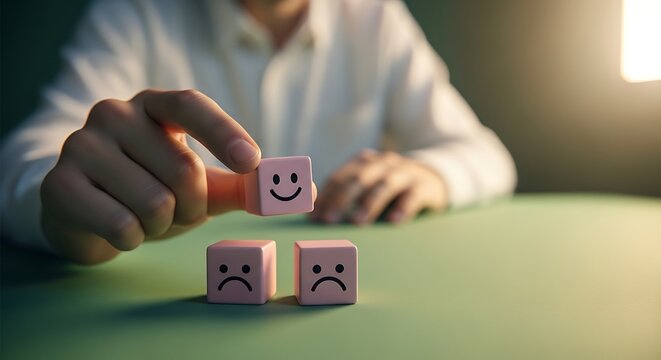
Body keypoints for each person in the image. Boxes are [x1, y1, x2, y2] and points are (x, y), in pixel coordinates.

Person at [0, 0, 517, 264]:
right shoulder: (137, 13)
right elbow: (27, 163)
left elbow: (486, 154)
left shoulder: (375, 18)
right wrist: (62, 207)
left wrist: (431, 173)